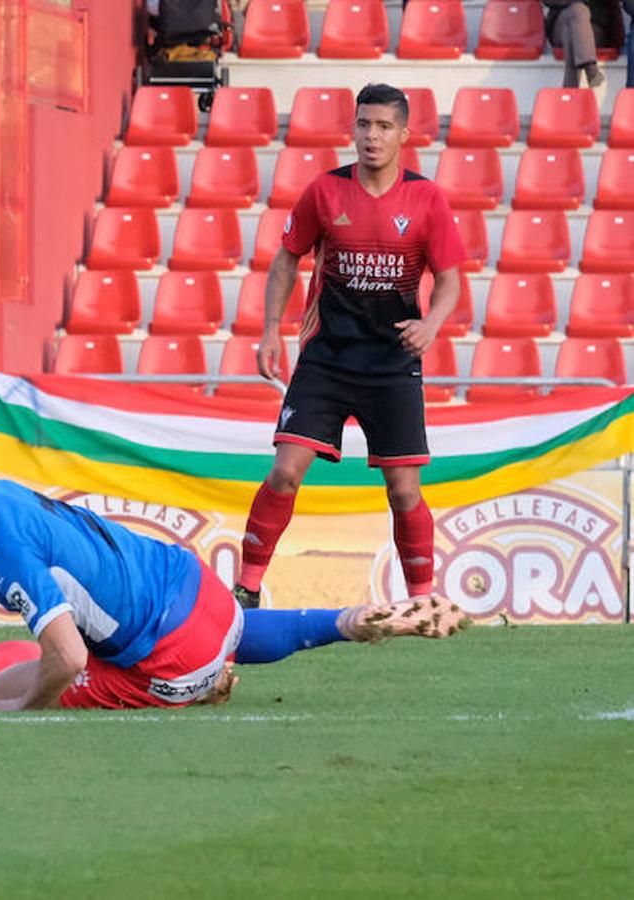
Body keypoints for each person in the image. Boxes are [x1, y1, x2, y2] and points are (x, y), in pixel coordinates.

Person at [0, 419, 467, 712]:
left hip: (167, 658)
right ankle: (341, 621)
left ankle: (200, 685)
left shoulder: (0, 547)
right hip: (198, 588)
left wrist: (19, 712)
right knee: (213, 628)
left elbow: (65, 659)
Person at [231, 83, 465, 611]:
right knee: (285, 470)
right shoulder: (324, 192)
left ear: (404, 134)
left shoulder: (426, 199)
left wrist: (432, 324)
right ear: (353, 129)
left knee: (404, 491)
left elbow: (450, 280)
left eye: (383, 126)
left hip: (392, 362)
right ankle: (246, 587)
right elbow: (287, 258)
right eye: (363, 125)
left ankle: (422, 602)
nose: (371, 136)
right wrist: (271, 329)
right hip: (327, 358)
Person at [544, 0, 605, 88]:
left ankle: (570, 93)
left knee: (572, 32)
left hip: (593, 28)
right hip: (560, 23)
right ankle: (590, 67)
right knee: (578, 11)